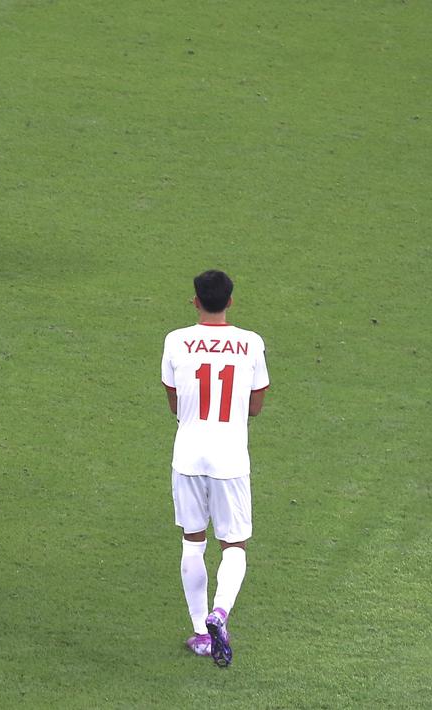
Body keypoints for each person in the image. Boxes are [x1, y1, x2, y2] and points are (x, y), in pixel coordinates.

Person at [160, 270, 270, 668]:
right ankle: (219, 613)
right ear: (231, 302)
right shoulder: (251, 343)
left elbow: (174, 402)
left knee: (193, 541)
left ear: (195, 301)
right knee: (234, 546)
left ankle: (200, 633)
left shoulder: (175, 341)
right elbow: (255, 405)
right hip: (230, 459)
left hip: (188, 455)